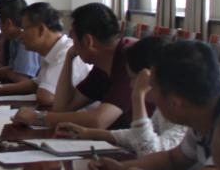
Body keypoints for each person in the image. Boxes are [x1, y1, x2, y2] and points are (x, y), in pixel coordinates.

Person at [88, 40, 220, 170]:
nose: (152, 98)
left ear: (176, 103)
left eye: (152, 89)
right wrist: (122, 169)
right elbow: (173, 160)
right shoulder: (205, 112)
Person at [56, 36, 186, 156]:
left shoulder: (185, 111)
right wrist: (88, 133)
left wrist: (138, 96)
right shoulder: (164, 106)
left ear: (150, 76)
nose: (131, 85)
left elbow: (149, 152)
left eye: (133, 79)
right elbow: (137, 137)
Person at [14, 2, 133, 130]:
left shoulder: (129, 59)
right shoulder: (102, 64)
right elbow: (62, 108)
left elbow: (98, 120)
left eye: (73, 39)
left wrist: (38, 117)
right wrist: (69, 58)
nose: (72, 44)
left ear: (88, 41)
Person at [8, 2, 89, 113]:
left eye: (24, 29)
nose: (21, 36)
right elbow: (36, 83)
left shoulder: (66, 51)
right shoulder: (51, 51)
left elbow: (46, 97)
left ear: (41, 29)